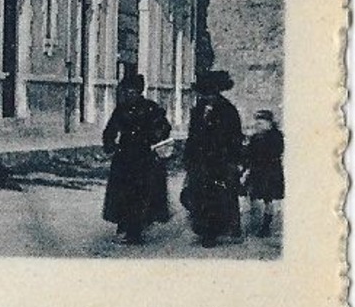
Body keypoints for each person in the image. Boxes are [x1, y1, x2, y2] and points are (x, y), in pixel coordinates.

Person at [101, 71, 172, 244]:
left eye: (132, 91)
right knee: (122, 193)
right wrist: (109, 143)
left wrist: (156, 135)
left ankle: (135, 230)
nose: (129, 94)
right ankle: (125, 225)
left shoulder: (151, 108)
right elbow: (110, 129)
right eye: (127, 91)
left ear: (139, 92)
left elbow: (164, 127)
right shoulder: (121, 109)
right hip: (124, 156)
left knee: (140, 194)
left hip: (144, 157)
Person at [182, 68, 245, 247]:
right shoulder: (198, 109)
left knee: (218, 196)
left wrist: (234, 161)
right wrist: (188, 157)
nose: (207, 97)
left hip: (220, 161)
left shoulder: (228, 110)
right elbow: (192, 135)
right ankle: (204, 229)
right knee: (199, 195)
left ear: (217, 92)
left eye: (211, 94)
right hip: (199, 160)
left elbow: (235, 138)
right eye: (204, 94)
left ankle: (214, 232)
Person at [243, 109, 284, 237]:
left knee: (268, 199)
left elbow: (276, 152)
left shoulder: (276, 136)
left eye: (260, 123)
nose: (257, 126)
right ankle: (255, 223)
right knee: (253, 196)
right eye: (257, 123)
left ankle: (265, 226)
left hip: (270, 172)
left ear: (269, 123)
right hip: (257, 171)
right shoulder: (255, 137)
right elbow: (249, 153)